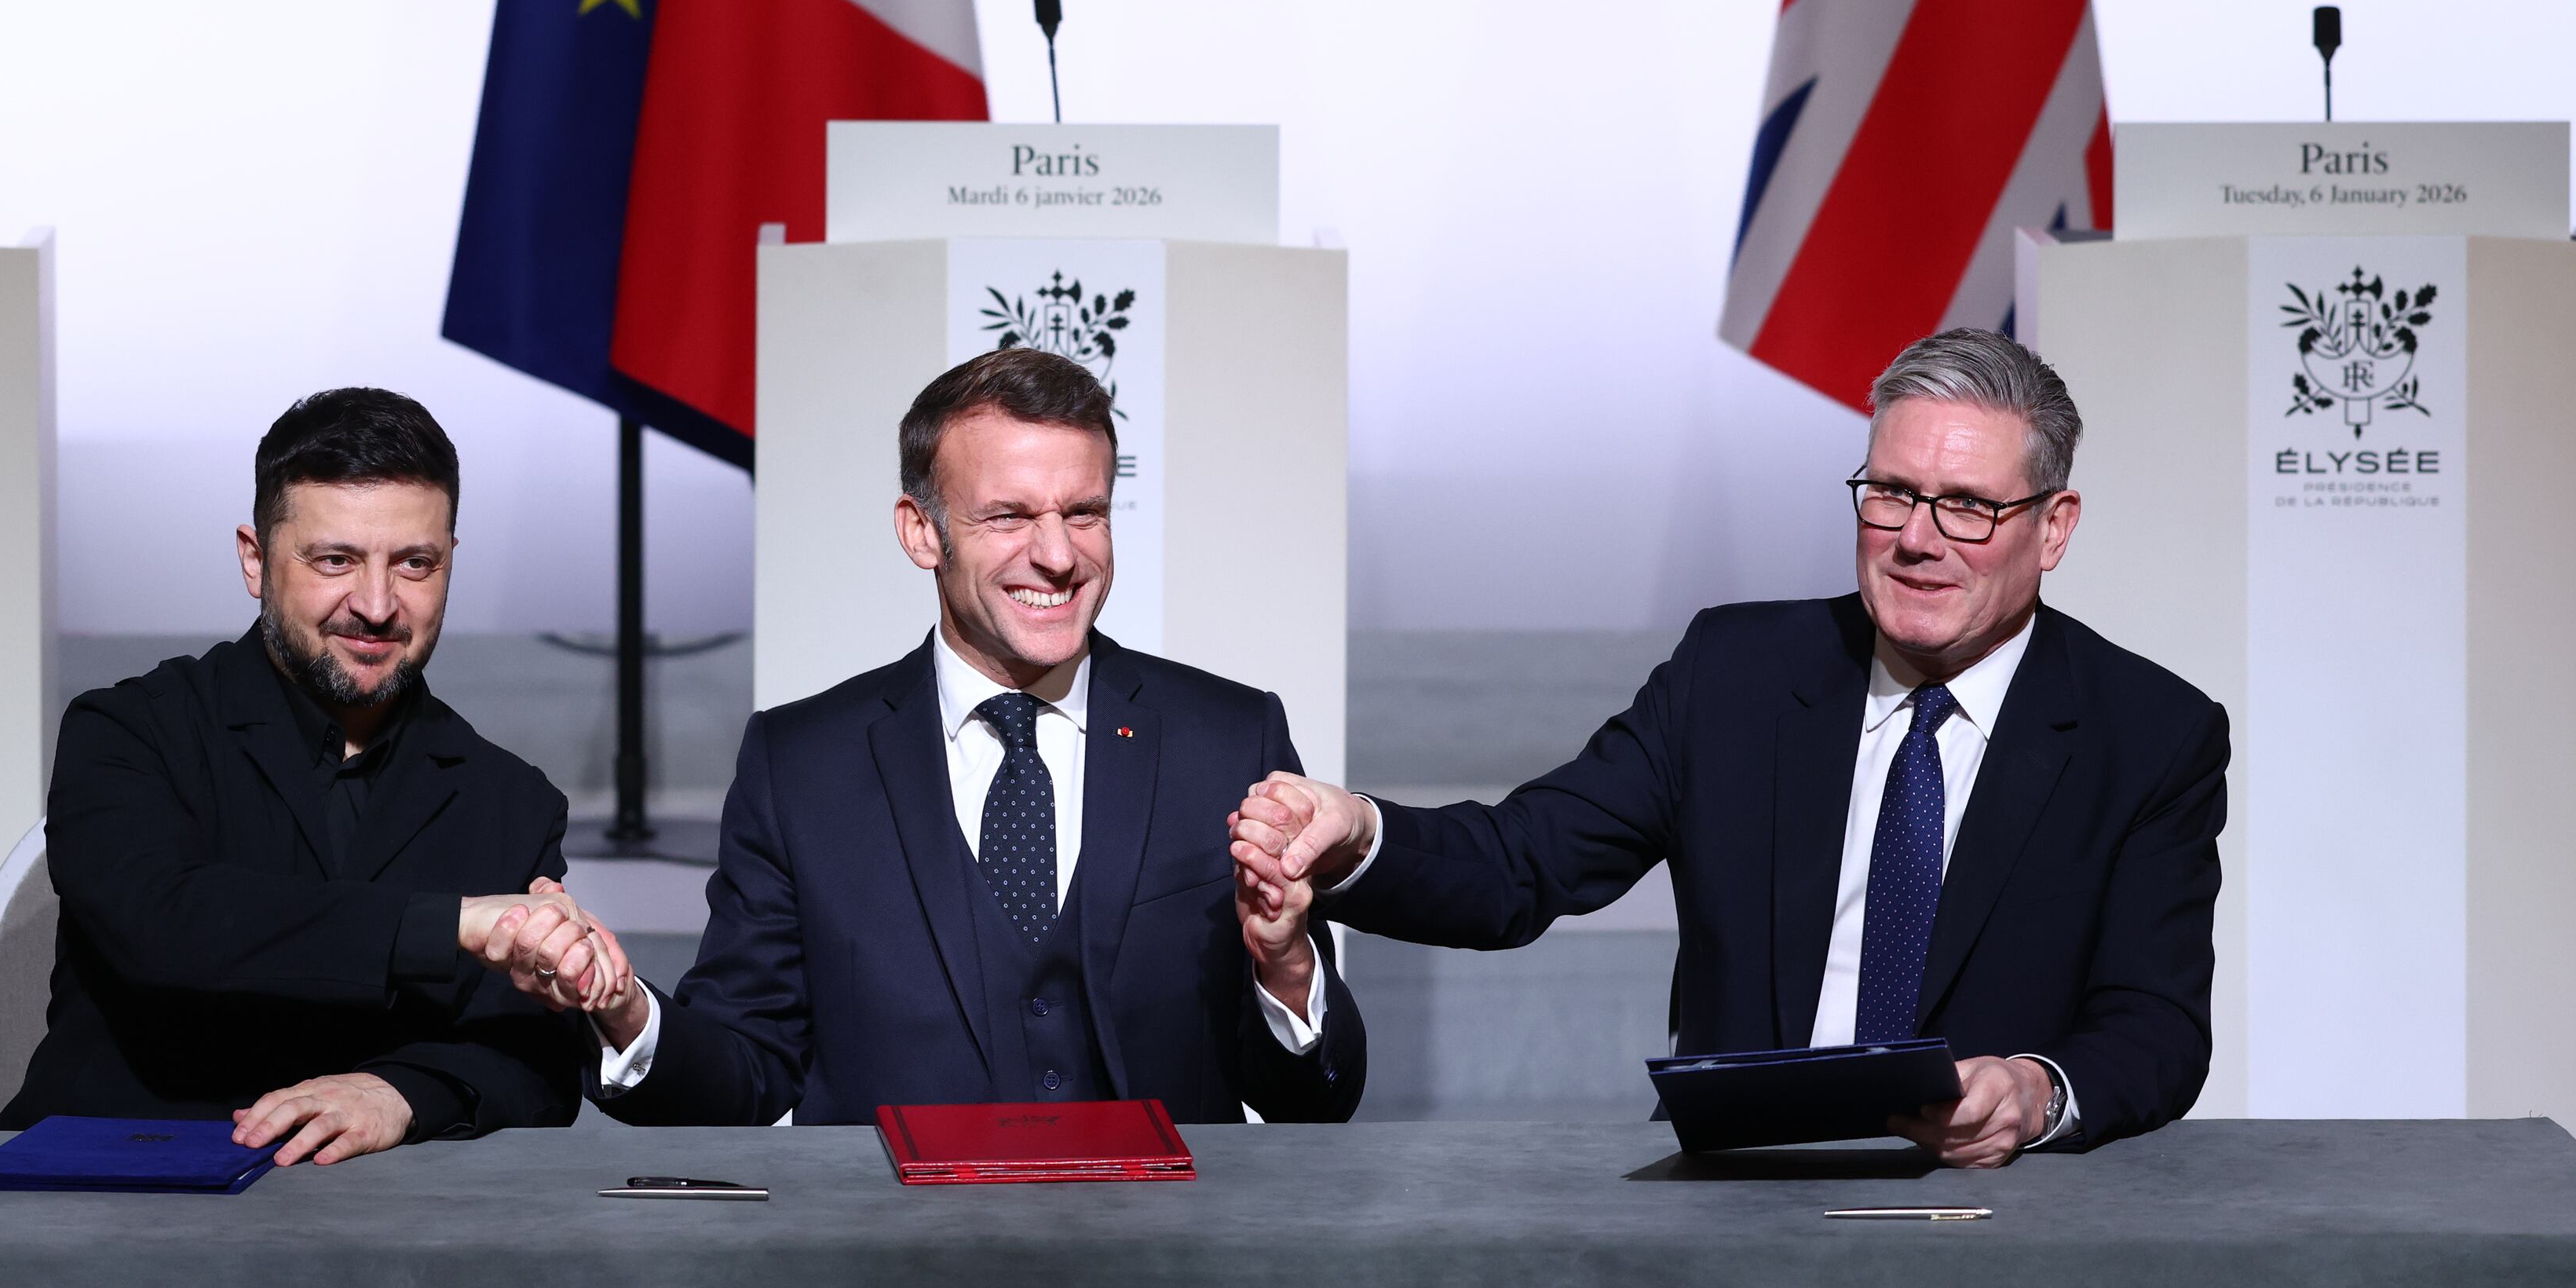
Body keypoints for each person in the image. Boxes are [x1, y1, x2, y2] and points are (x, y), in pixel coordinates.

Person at [1232, 327, 2225, 1165]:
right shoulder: (1737, 674)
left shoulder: (2147, 734)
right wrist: (1357, 830)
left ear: (2052, 529)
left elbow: (2157, 1027)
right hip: (1740, 1199)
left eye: (1966, 505)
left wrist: (2034, 1092)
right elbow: (1520, 864)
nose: (1917, 538)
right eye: (1889, 493)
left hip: (1996, 1210)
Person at [569, 345, 1364, 1125]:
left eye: (1082, 512)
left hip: (1164, 1251)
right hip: (888, 1251)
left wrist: (1288, 967)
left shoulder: (1227, 740)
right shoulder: (801, 765)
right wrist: (625, 1015)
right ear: (921, 533)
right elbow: (743, 1074)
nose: (1057, 556)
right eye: (1009, 516)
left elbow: (1314, 1099)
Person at [0, 386, 623, 1161]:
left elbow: (535, 1061)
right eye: (335, 560)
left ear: (449, 563)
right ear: (255, 560)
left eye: (413, 564)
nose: (375, 603)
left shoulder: (511, 801)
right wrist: (445, 925)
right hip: (116, 1193)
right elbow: (168, 925)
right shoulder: (127, 732)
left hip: (381, 1237)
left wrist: (401, 1093)